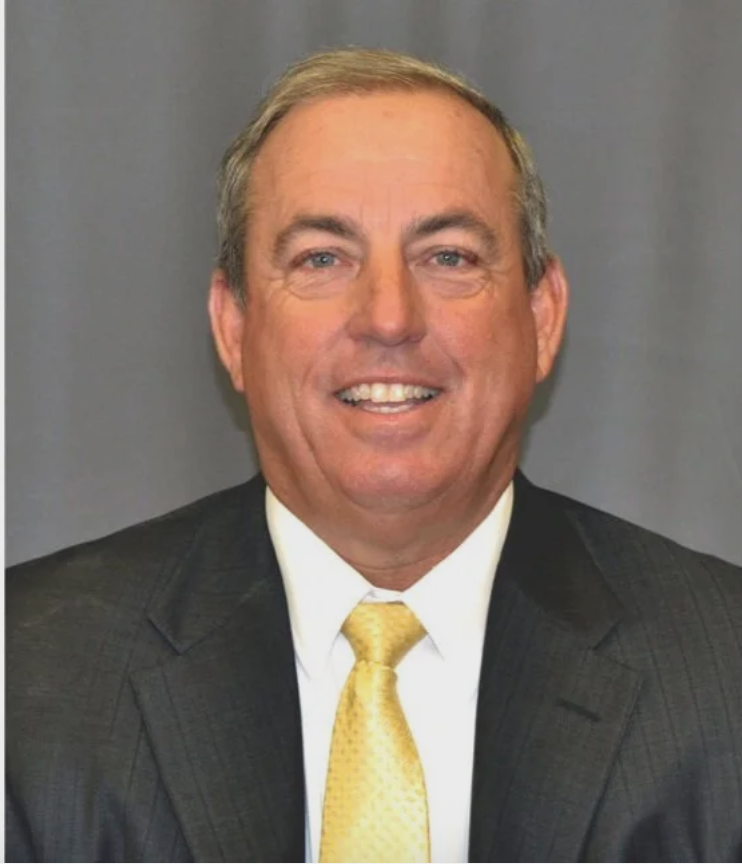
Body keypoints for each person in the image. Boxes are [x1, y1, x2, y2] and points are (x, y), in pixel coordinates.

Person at [6, 46, 742, 864]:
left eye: (448, 257)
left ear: (541, 318)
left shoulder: (724, 673)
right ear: (234, 327)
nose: (389, 317)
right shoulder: (29, 678)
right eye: (322, 258)